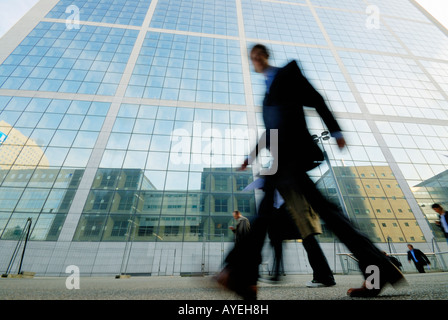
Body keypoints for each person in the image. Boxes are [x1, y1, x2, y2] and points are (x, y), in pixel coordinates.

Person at [215, 43, 406, 299]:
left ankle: (240, 275)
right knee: (317, 210)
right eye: (252, 57)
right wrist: (250, 157)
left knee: (274, 212)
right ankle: (378, 268)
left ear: (266, 56)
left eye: (259, 54)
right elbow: (270, 131)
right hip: (280, 157)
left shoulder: (287, 74)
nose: (256, 59)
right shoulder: (265, 96)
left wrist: (335, 130)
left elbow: (316, 98)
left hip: (292, 153)